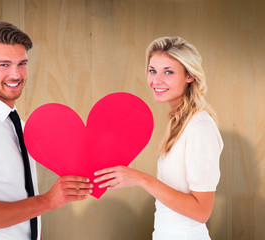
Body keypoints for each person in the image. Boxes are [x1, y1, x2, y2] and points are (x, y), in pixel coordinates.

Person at [0, 21, 93, 240]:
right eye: (4, 64)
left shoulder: (21, 127)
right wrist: (49, 200)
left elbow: (25, 198)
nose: (16, 74)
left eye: (22, 63)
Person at [94, 36, 223, 239]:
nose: (156, 80)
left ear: (190, 76)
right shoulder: (178, 122)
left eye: (168, 72)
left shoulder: (200, 126)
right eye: (152, 70)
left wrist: (141, 179)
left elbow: (201, 212)